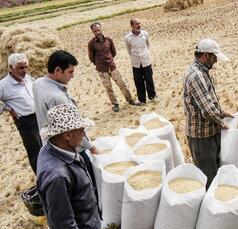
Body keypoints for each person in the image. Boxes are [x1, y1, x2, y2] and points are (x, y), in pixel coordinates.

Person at [36, 104, 111, 229]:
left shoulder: (54, 148)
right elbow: (62, 219)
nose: (84, 134)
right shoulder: (58, 176)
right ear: (67, 135)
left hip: (86, 223)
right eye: (81, 130)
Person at [33, 50, 99, 184]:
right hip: (68, 147)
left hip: (51, 144)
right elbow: (74, 129)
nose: (72, 76)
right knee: (86, 180)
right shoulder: (58, 98)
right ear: (58, 70)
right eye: (70, 72)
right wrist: (92, 148)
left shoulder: (38, 83)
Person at [183, 38, 233, 189]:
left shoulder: (203, 71)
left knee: (216, 170)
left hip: (210, 132)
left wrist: (222, 113)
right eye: (214, 57)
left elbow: (209, 101)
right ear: (205, 55)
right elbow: (207, 109)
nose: (216, 61)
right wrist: (221, 122)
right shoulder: (196, 75)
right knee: (208, 177)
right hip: (201, 137)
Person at [0, 53, 42, 174]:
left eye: (25, 67)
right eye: (20, 68)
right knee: (36, 151)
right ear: (11, 68)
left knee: (47, 147)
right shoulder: (3, 85)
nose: (24, 70)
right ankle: (43, 180)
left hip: (39, 116)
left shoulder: (28, 78)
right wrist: (7, 108)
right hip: (26, 122)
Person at [88, 22, 139, 112]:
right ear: (92, 32)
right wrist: (100, 63)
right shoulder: (91, 43)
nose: (97, 32)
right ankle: (115, 104)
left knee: (122, 84)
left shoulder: (109, 40)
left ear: (101, 29)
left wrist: (109, 60)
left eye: (98, 30)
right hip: (102, 70)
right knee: (108, 88)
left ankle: (130, 99)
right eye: (95, 31)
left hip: (112, 67)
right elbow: (91, 58)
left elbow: (113, 52)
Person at [124, 18, 157, 105]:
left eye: (139, 23)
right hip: (136, 63)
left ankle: (152, 97)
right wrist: (135, 58)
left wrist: (144, 55)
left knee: (149, 80)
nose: (138, 25)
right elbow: (129, 50)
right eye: (136, 24)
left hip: (146, 61)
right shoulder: (127, 38)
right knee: (138, 82)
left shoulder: (145, 34)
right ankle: (142, 100)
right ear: (131, 25)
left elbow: (148, 45)